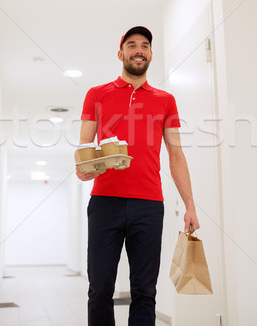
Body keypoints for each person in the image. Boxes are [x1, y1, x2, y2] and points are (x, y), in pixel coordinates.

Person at [75, 26, 200, 326]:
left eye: (145, 45)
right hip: (105, 203)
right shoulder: (96, 94)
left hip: (148, 205)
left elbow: (176, 155)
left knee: (145, 291)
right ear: (121, 54)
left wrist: (190, 205)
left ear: (151, 55)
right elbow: (84, 153)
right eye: (132, 45)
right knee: (100, 289)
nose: (139, 50)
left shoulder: (165, 100)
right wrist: (87, 168)